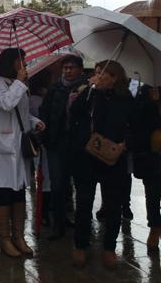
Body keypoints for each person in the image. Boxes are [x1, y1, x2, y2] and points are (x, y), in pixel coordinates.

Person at [69, 60, 134, 269]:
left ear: (114, 77)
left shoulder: (125, 99)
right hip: (87, 157)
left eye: (102, 73)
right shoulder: (89, 94)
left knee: (114, 205)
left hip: (113, 160)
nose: (97, 76)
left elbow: (134, 125)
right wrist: (88, 89)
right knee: (84, 203)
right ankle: (80, 244)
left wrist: (125, 144)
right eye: (95, 72)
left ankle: (109, 248)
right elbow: (75, 113)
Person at [0, 48, 45, 258]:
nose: (25, 64)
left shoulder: (18, 85)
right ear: (11, 63)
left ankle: (18, 236)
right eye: (21, 61)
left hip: (18, 145)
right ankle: (5, 239)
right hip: (2, 147)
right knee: (4, 191)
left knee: (19, 190)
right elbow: (6, 104)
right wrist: (20, 82)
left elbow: (22, 114)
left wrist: (35, 122)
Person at [39, 55, 86, 240]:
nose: (68, 70)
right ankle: (58, 223)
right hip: (56, 143)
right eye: (65, 67)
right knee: (57, 184)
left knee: (74, 185)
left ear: (80, 69)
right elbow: (45, 112)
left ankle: (74, 220)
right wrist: (46, 135)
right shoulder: (55, 88)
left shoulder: (86, 89)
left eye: (72, 67)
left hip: (77, 144)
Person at [131, 85, 161, 253]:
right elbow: (136, 122)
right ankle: (155, 227)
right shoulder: (145, 92)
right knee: (153, 194)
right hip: (151, 156)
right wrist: (152, 104)